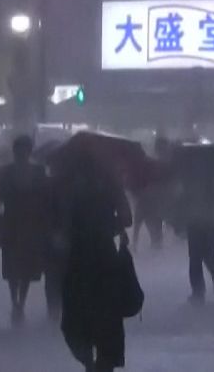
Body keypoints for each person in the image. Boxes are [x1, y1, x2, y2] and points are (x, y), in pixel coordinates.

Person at [57, 150, 133, 372]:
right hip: (103, 258)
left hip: (78, 260)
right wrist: (111, 224)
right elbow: (126, 218)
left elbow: (61, 225)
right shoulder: (111, 187)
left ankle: (90, 363)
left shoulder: (69, 189)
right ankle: (101, 363)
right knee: (106, 318)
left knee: (75, 318)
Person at [0, 135, 49, 324]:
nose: (21, 153)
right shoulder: (5, 172)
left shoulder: (38, 171)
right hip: (12, 224)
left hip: (32, 225)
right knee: (12, 267)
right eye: (19, 149)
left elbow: (45, 197)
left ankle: (21, 303)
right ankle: (14, 301)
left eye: (24, 149)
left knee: (26, 267)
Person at [178, 162, 214, 303]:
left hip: (196, 220)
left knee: (196, 255)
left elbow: (183, 200)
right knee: (207, 252)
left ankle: (199, 291)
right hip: (212, 220)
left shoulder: (188, 177)